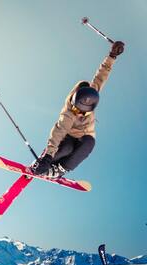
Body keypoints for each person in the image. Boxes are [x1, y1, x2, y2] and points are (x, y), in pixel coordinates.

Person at [31, 41, 125, 179]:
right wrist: (48, 156)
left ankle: (60, 169)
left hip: (84, 138)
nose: (78, 113)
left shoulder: (92, 93)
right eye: (76, 109)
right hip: (68, 136)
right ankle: (45, 162)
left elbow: (101, 75)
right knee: (66, 149)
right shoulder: (69, 113)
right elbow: (59, 131)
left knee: (89, 143)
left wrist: (112, 55)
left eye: (82, 112)